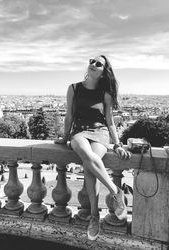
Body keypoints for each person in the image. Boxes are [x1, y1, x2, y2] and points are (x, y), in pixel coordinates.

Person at [55, 55, 131, 241]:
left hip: (100, 133)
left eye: (99, 64)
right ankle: (115, 192)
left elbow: (110, 121)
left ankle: (95, 217)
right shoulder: (73, 88)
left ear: (104, 72)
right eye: (92, 61)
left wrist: (117, 144)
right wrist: (65, 137)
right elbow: (69, 115)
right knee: (87, 155)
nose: (93, 65)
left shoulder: (105, 94)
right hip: (79, 132)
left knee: (90, 169)